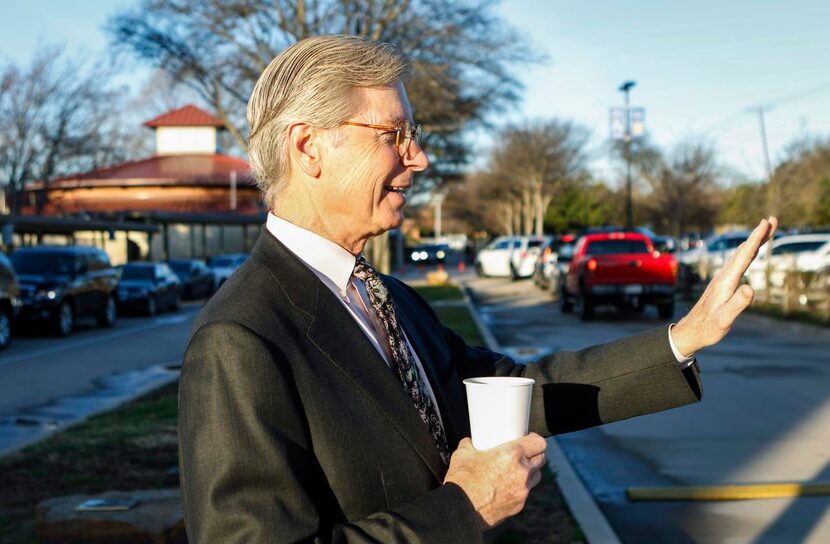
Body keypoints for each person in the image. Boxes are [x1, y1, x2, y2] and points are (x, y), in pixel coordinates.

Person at [178, 34, 777, 543]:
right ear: (309, 146)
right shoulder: (241, 339)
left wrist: (683, 338)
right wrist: (463, 508)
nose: (421, 157)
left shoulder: (390, 300)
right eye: (393, 134)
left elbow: (517, 393)